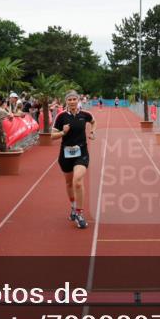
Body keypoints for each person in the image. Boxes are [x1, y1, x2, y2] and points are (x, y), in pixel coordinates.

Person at [51, 90, 95, 229]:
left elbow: (93, 122)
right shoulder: (61, 116)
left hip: (81, 152)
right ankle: (73, 207)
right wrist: (63, 132)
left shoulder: (85, 114)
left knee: (77, 181)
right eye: (69, 100)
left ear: (78, 100)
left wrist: (93, 132)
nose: (72, 101)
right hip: (65, 154)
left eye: (74, 99)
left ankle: (80, 214)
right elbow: (52, 136)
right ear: (66, 102)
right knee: (69, 183)